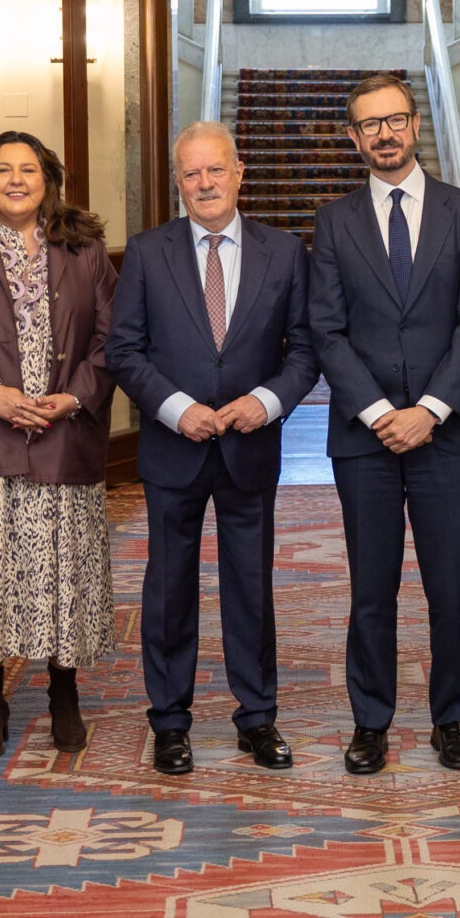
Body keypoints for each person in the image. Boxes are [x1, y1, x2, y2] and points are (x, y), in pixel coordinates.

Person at [109, 123, 319, 775]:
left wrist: (268, 401)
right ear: (178, 181)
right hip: (175, 447)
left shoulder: (284, 252)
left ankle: (257, 716)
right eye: (191, 173)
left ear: (239, 172)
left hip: (250, 447)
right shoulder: (147, 252)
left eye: (215, 170)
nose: (204, 183)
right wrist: (176, 409)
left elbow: (306, 349)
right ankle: (170, 720)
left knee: (250, 586)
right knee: (169, 588)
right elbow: (124, 350)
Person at [308, 73, 460, 775]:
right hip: (366, 437)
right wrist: (385, 413)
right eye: (369, 124)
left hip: (449, 433)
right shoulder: (333, 220)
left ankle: (454, 718)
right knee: (371, 587)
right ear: (353, 137)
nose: (384, 134)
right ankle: (371, 719)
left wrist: (431, 410)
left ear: (416, 125)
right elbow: (326, 330)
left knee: (451, 585)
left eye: (395, 120)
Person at [0, 130, 116, 760]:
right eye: (3, 169)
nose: (16, 180)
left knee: (63, 572)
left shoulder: (84, 246)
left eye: (29, 170)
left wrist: (72, 399)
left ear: (49, 181)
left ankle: (65, 694)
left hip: (64, 438)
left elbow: (110, 338)